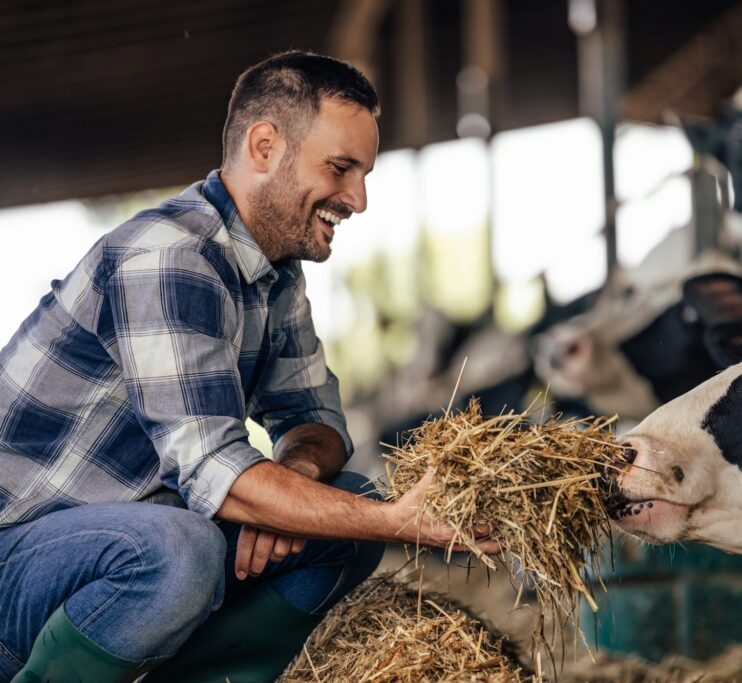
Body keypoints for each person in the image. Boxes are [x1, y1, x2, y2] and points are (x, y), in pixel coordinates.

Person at [0, 50, 498, 683]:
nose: (360, 199)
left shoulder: (272, 273)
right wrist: (393, 522)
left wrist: (295, 476)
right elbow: (213, 468)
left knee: (340, 515)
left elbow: (316, 419)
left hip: (120, 541)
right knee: (182, 552)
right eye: (342, 169)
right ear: (264, 146)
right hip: (18, 559)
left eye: (364, 174)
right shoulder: (169, 257)